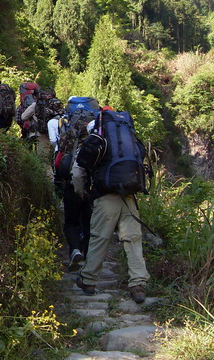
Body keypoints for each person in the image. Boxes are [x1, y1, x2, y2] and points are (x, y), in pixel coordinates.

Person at [72, 110, 150, 303]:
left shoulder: (96, 141)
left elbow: (77, 173)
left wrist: (83, 194)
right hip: (129, 197)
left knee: (100, 238)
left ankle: (89, 281)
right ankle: (138, 285)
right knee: (133, 240)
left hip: (105, 197)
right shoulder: (130, 140)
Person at [49, 114, 91, 271]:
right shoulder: (97, 138)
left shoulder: (69, 135)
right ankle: (88, 261)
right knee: (88, 224)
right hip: (89, 188)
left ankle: (74, 250)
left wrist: (59, 182)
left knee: (71, 221)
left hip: (71, 185)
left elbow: (60, 160)